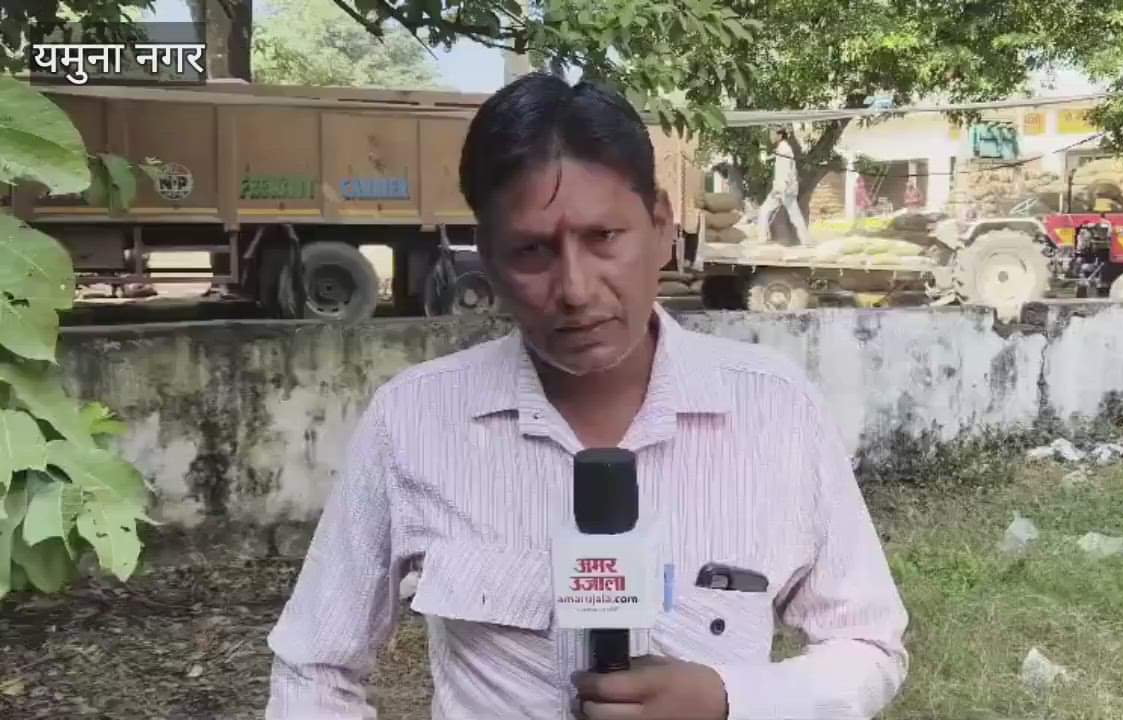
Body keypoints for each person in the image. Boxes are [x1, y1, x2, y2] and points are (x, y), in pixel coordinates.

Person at [266, 73, 907, 720]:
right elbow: (314, 669)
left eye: (603, 238)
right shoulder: (413, 423)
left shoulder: (775, 412)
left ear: (661, 226)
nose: (574, 288)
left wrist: (727, 698)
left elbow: (869, 644)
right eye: (532, 250)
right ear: (485, 257)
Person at [754, 128, 813, 246]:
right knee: (791, 214)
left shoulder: (784, 149)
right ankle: (806, 241)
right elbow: (774, 160)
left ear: (780, 135)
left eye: (773, 133)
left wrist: (781, 188)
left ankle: (763, 238)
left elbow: (785, 169)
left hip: (783, 188)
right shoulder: (783, 148)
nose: (771, 136)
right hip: (784, 187)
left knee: (767, 211)